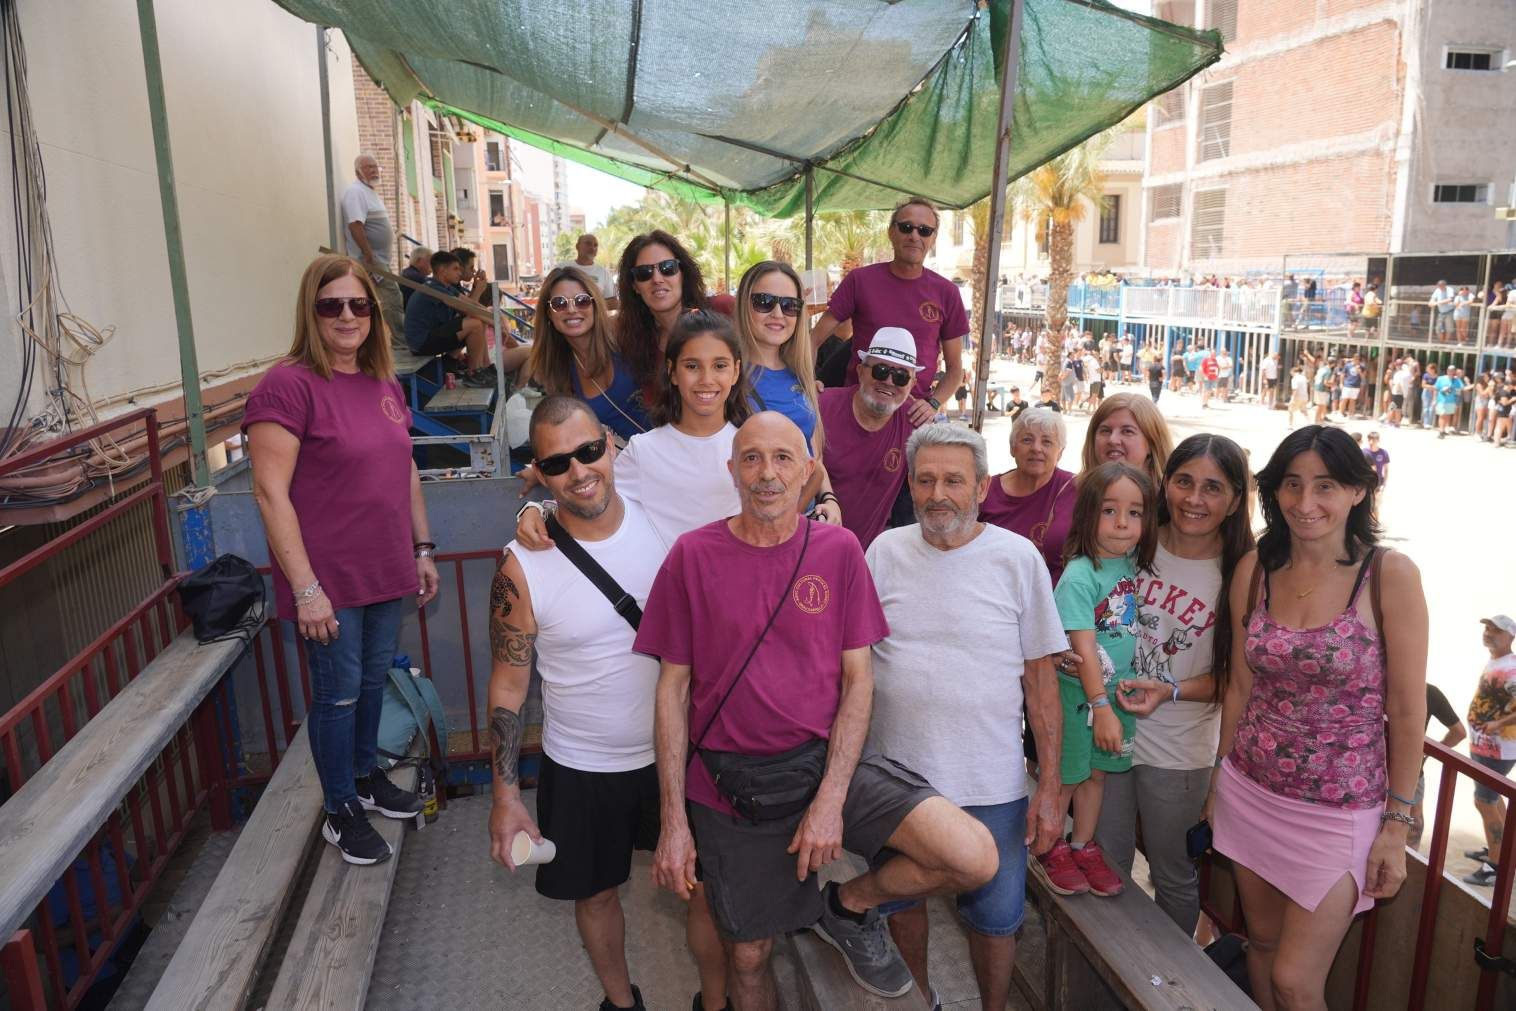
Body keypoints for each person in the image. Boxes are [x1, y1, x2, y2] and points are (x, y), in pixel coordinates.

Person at [636, 413, 998, 1011]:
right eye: (751, 459)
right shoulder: (692, 555)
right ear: (731, 470)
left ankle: (845, 906)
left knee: (973, 855)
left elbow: (859, 681)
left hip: (823, 764)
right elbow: (671, 692)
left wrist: (830, 801)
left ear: (808, 471)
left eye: (783, 458)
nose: (767, 474)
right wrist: (673, 820)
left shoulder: (839, 549)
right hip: (729, 784)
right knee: (749, 957)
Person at [486, 396, 726, 1011]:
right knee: (594, 894)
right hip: (581, 766)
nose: (580, 471)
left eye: (590, 451)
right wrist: (506, 797)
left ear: (611, 446)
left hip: (677, 755)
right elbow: (509, 683)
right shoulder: (521, 566)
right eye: (559, 462)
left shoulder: (663, 522)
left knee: (704, 889)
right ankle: (622, 1004)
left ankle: (718, 1003)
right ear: (538, 473)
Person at [1209, 426, 1426, 1010]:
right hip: (1249, 791)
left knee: (1294, 981)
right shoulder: (1255, 568)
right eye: (1292, 485)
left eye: (1325, 486)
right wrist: (1217, 780)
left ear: (1358, 491)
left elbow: (1408, 710)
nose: (1306, 504)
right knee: (1260, 944)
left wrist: (1397, 827)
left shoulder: (1389, 575)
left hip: (1340, 815)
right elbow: (1240, 686)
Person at [244, 254, 437, 865]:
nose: (347, 316)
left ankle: (365, 779)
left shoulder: (381, 382)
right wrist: (305, 590)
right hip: (328, 581)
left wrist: (422, 549)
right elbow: (269, 493)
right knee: (338, 697)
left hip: (385, 570)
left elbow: (404, 467)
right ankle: (339, 807)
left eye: (359, 304)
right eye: (332, 306)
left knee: (371, 685)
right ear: (312, 312)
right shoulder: (288, 384)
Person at [867, 425, 1067, 1010]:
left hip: (991, 780)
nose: (938, 495)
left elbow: (1041, 681)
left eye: (954, 480)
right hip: (899, 778)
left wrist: (1049, 785)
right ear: (909, 484)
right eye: (925, 480)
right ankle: (921, 1000)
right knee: (903, 906)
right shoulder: (884, 551)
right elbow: (850, 665)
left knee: (997, 917)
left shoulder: (1016, 557)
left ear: (981, 486)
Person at [1096, 435, 1255, 934]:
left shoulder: (1243, 571)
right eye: (1184, 482)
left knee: (1173, 875)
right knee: (1105, 863)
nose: (1195, 499)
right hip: (1110, 732)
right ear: (1165, 484)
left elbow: (1239, 677)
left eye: (1213, 487)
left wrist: (1174, 690)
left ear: (1234, 499)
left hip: (1180, 750)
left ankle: (1165, 987)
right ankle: (1108, 971)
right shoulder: (1132, 538)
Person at [517, 311, 756, 549]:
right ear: (672, 372)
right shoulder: (645, 451)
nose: (706, 379)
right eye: (692, 366)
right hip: (666, 584)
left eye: (719, 366)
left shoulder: (754, 446)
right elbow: (589, 494)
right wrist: (534, 510)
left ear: (735, 371)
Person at [1035, 461, 1157, 897]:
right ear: (1088, 515)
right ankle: (1049, 845)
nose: (1123, 523)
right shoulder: (1080, 574)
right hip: (1081, 698)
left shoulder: (1129, 566)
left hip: (1119, 694)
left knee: (1098, 775)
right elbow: (1082, 646)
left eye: (1135, 512)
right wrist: (1100, 706)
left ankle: (1082, 845)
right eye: (1110, 511)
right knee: (1068, 775)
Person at [809, 196, 966, 425]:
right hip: (854, 412)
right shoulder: (860, 280)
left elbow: (955, 369)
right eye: (906, 227)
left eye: (924, 230)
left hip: (911, 419)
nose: (914, 235)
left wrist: (933, 403)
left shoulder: (947, 293)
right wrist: (808, 381)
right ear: (891, 232)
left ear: (933, 239)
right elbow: (813, 340)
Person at [819, 327, 921, 550]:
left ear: (912, 384)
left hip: (867, 559)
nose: (890, 382)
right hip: (813, 548)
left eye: (902, 376)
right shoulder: (821, 407)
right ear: (860, 371)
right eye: (881, 370)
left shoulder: (916, 421)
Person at [525, 265, 651, 441]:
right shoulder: (559, 371)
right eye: (559, 304)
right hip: (630, 463)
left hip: (678, 449)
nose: (571, 310)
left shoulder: (624, 333)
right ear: (549, 314)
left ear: (595, 304)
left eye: (581, 300)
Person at [980, 408, 1077, 587]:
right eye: (1027, 440)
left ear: (1060, 452)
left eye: (1047, 442)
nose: (1036, 448)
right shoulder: (985, 491)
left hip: (1056, 598)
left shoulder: (1076, 489)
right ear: (1012, 448)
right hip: (996, 591)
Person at [616, 230, 710, 407]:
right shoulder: (636, 344)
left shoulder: (721, 311)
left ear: (682, 273)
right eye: (644, 273)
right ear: (635, 285)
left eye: (668, 268)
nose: (657, 279)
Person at [1464, 615, 1516, 887]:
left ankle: (1495, 866)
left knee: (1483, 801)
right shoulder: (1497, 661)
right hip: (1485, 745)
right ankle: (1503, 853)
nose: (1488, 633)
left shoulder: (1511, 668)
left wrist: (1498, 723)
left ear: (1510, 637)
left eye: (1496, 630)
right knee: (1493, 800)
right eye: (1486, 628)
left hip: (1497, 749)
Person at [403, 250, 497, 387]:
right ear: (442, 270)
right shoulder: (433, 288)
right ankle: (474, 374)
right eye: (455, 269)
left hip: (431, 336)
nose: (459, 272)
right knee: (475, 323)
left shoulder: (445, 287)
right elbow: (467, 309)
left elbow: (471, 304)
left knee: (478, 322)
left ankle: (483, 368)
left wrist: (492, 315)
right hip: (421, 343)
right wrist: (495, 322)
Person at [341, 154, 403, 338]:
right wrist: (368, 254)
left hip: (378, 258)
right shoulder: (355, 192)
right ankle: (402, 340)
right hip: (369, 259)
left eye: (376, 167)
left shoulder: (369, 191)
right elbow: (355, 225)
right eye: (368, 167)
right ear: (358, 171)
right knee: (392, 295)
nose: (374, 170)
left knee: (375, 301)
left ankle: (384, 339)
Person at [1081, 392, 1173, 492]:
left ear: (1152, 443)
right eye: (1105, 430)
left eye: (1127, 431)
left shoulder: (1170, 502)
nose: (1113, 440)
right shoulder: (1073, 493)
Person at [1411, 684, 1464, 849]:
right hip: (1411, 769)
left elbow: (1459, 733)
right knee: (1413, 823)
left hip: (1373, 768)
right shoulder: (1428, 691)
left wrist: (1428, 753)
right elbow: (1459, 733)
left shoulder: (1374, 684)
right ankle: (1408, 867)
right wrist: (1427, 753)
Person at [560, 233, 617, 306]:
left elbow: (613, 302)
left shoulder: (603, 272)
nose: (592, 248)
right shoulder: (562, 268)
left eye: (595, 245)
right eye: (588, 244)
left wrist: (589, 305)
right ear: (577, 246)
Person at [1434, 366, 1464, 439]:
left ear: (1454, 372)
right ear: (1447, 371)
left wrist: (1457, 401)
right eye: (1449, 370)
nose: (1450, 372)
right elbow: (1436, 389)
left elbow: (1460, 390)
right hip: (1441, 400)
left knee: (1447, 416)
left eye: (1452, 370)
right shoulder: (1441, 378)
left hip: (1451, 400)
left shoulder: (1457, 380)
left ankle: (1443, 429)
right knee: (1442, 415)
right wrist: (1434, 399)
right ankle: (1441, 431)